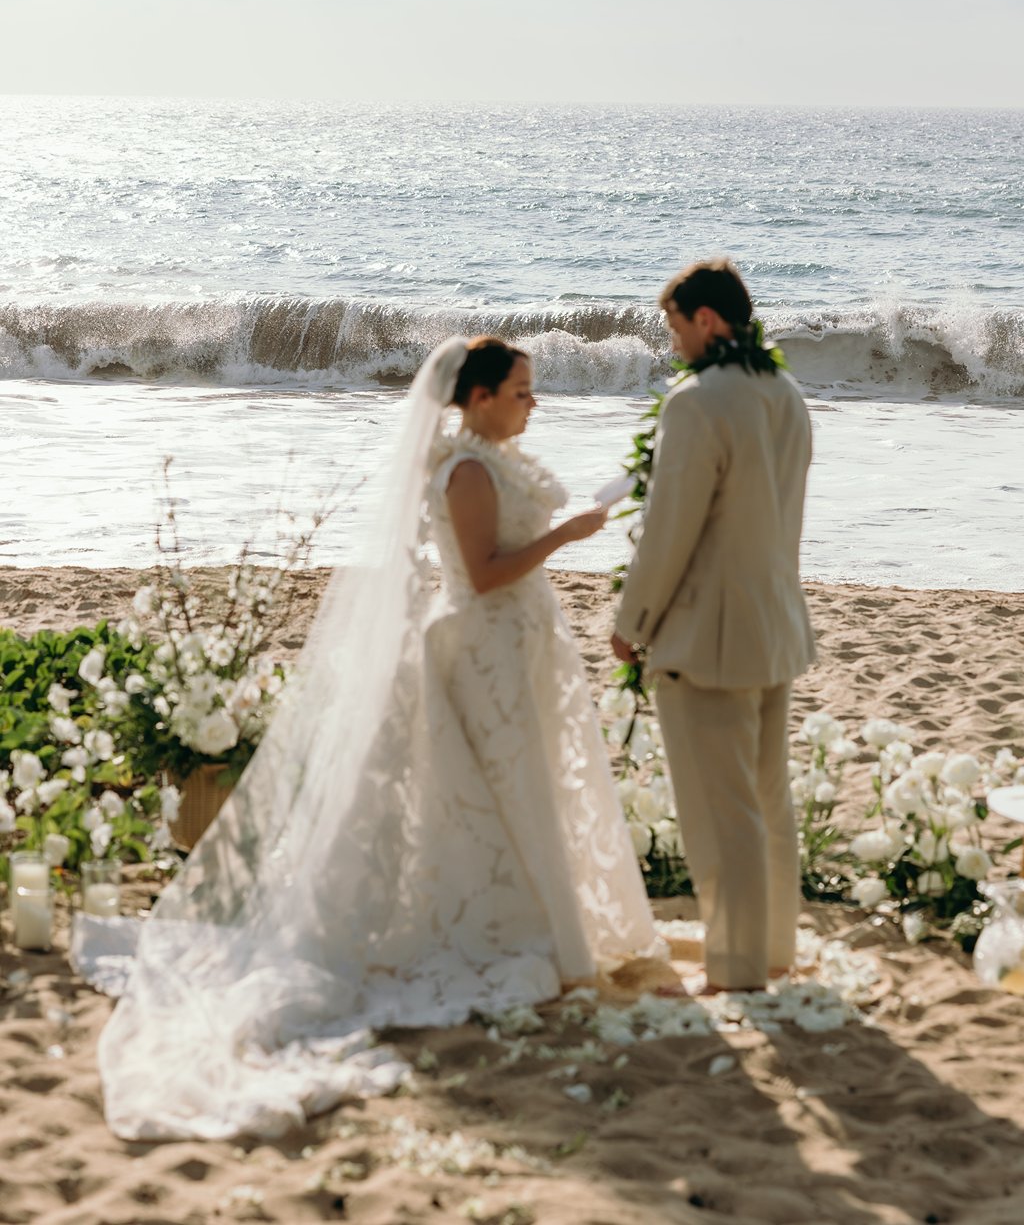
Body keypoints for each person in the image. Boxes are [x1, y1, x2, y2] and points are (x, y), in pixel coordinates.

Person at [77, 334, 655, 1141]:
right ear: (478, 397)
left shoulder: (491, 460)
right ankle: (519, 931)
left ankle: (546, 924)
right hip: (484, 648)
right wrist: (571, 535)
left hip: (514, 643)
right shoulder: (465, 471)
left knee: (528, 787)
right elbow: (484, 571)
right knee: (497, 787)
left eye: (533, 391)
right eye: (521, 391)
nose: (533, 402)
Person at [611, 261, 814, 993]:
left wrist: (632, 620)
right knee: (767, 800)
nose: (673, 344)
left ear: (707, 320)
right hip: (776, 623)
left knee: (720, 812)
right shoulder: (786, 393)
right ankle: (777, 951)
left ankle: (735, 968)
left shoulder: (697, 404)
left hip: (709, 636)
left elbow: (671, 531)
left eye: (673, 326)